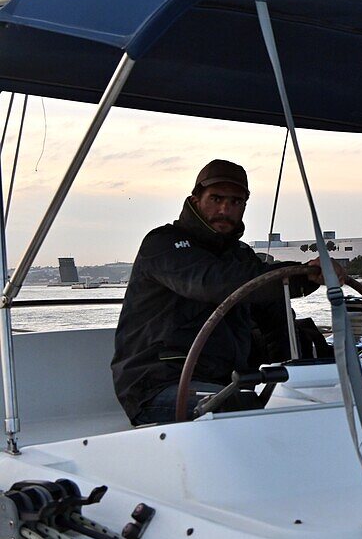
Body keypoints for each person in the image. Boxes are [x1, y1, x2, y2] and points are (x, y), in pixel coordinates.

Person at [111, 159, 344, 425]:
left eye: (235, 202)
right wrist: (298, 274)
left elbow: (273, 314)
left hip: (228, 383)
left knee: (309, 402)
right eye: (216, 198)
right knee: (240, 406)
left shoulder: (240, 257)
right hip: (157, 386)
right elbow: (211, 282)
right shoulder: (162, 244)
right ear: (195, 199)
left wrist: (292, 381)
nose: (225, 209)